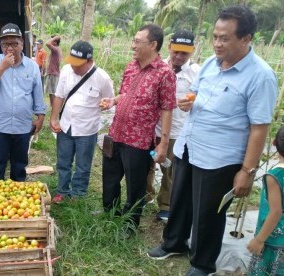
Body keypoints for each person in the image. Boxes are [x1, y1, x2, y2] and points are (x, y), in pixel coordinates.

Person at [147, 6, 278, 276]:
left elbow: (259, 127)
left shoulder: (260, 76)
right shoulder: (209, 63)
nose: (217, 43)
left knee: (209, 214)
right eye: (215, 37)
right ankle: (174, 243)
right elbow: (195, 94)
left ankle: (202, 264)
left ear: (246, 39)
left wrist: (246, 171)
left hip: (220, 159)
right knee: (179, 200)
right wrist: (187, 102)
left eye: (224, 38)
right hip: (189, 146)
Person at [100, 24, 177, 230]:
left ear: (153, 45)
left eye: (137, 41)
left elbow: (167, 109)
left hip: (138, 139)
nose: (133, 45)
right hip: (116, 133)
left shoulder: (164, 73)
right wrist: (113, 101)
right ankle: (111, 214)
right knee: (110, 178)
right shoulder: (130, 66)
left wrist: (163, 144)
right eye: (133, 40)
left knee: (135, 186)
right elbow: (125, 94)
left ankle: (130, 224)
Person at [50, 40, 114, 203]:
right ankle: (62, 191)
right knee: (63, 162)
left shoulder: (102, 78)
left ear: (90, 61)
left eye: (78, 65)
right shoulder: (66, 70)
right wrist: (54, 117)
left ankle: (78, 194)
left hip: (87, 130)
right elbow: (59, 95)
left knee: (82, 166)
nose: (74, 67)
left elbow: (110, 101)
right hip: (65, 125)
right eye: (72, 63)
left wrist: (106, 104)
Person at [146, 30, 200, 221]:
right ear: (169, 47)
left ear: (192, 51)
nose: (178, 56)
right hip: (151, 128)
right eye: (175, 51)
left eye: (184, 53)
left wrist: (194, 103)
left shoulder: (196, 73)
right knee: (146, 165)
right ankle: (146, 196)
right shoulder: (157, 67)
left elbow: (203, 100)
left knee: (169, 169)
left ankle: (166, 204)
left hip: (177, 131)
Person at [0, 23, 46, 181]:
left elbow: (38, 93)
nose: (9, 48)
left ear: (22, 43)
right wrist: (2, 67)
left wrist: (40, 116)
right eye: (5, 44)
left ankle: (18, 202)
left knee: (19, 166)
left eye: (14, 43)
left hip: (22, 126)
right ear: (0, 45)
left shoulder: (32, 66)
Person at [247, 126, 284, 275]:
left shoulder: (274, 175)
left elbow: (275, 212)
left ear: (274, 143)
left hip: (272, 238)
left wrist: (259, 239)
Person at [44, 35, 61, 106]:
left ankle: (54, 108)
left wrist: (55, 38)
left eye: (52, 40)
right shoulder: (55, 50)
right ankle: (53, 107)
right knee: (51, 92)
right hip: (52, 73)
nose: (51, 41)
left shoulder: (56, 49)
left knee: (53, 93)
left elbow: (47, 43)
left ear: (55, 42)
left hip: (53, 74)